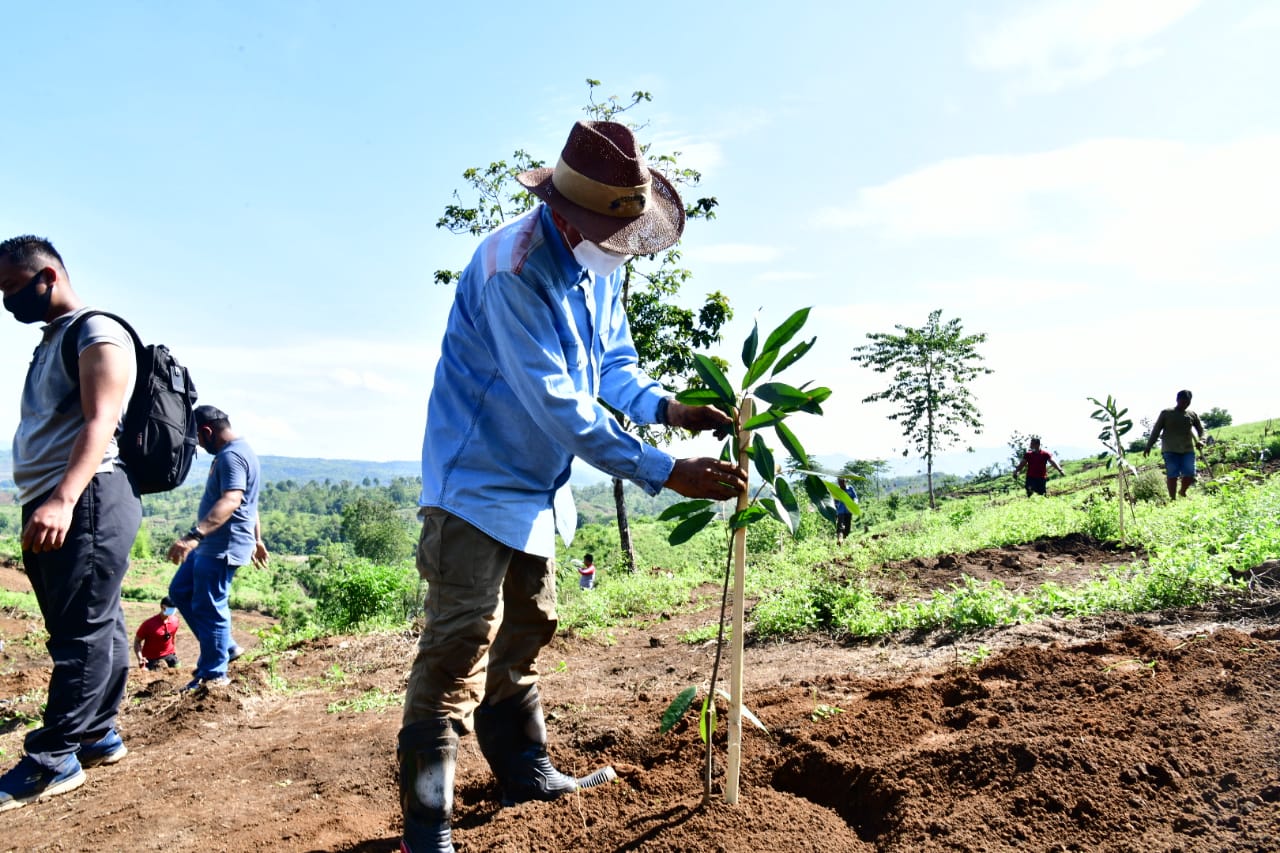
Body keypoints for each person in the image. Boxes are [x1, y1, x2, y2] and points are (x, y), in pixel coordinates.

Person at [399, 120, 747, 853]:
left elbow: (612, 363)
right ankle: (428, 826)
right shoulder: (511, 270)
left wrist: (667, 407)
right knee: (459, 643)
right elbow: (562, 406)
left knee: (529, 626)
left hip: (536, 486)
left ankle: (525, 769)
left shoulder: (600, 259)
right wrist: (666, 468)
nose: (621, 248)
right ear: (566, 213)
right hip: (476, 483)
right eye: (610, 231)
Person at [0, 236, 142, 811]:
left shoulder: (96, 331)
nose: (7, 304)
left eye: (12, 290)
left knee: (79, 631)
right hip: (65, 498)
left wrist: (61, 498)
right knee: (91, 623)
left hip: (85, 496)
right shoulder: (55, 338)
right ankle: (96, 735)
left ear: (49, 276)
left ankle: (53, 758)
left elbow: (101, 420)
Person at [166, 405, 267, 691]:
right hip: (215, 542)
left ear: (207, 431)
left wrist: (193, 535)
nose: (198, 444)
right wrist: (257, 539)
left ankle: (213, 675)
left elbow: (234, 499)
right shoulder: (240, 451)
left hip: (221, 544)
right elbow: (252, 504)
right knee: (180, 591)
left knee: (210, 605)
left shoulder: (232, 457)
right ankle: (227, 649)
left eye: (198, 438)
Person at [1143, 390, 1206, 500]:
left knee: (1190, 473)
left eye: (1187, 402)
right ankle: (1173, 498)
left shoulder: (1192, 414)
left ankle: (1182, 491)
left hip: (1187, 449)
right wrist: (1149, 446)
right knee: (1172, 475)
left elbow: (1201, 430)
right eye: (1183, 401)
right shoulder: (1166, 413)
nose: (1185, 404)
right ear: (1177, 400)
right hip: (1170, 449)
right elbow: (1156, 430)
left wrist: (1202, 440)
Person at [134, 596, 182, 670]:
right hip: (151, 659)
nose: (173, 611)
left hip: (169, 656)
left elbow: (172, 637)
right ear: (162, 607)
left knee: (179, 671)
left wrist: (173, 653)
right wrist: (140, 658)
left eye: (174, 608)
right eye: (170, 608)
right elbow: (137, 641)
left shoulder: (175, 621)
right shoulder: (149, 624)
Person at [834, 477, 859, 544]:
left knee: (847, 527)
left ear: (845, 481)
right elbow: (834, 501)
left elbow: (855, 497)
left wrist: (854, 503)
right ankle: (839, 539)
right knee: (840, 526)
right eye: (839, 482)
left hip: (848, 511)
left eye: (842, 482)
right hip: (840, 511)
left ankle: (843, 540)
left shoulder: (850, 489)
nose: (841, 483)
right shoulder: (837, 490)